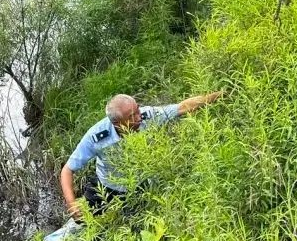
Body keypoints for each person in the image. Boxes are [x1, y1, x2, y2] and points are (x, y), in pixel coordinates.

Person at [58, 91, 222, 223]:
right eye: (131, 116)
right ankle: (77, 227)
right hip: (108, 184)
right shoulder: (97, 137)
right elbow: (67, 170)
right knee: (83, 220)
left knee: (138, 221)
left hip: (140, 184)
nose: (138, 117)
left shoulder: (147, 116)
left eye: (138, 110)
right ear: (117, 123)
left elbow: (181, 107)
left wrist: (218, 95)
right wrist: (71, 204)